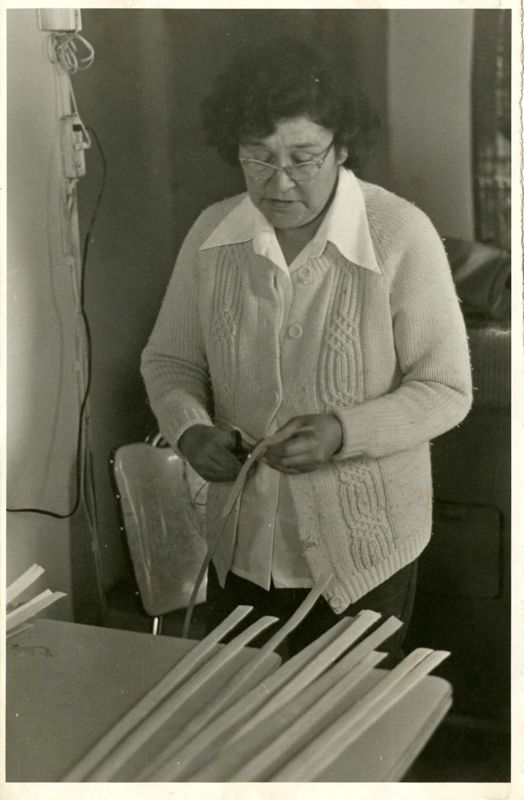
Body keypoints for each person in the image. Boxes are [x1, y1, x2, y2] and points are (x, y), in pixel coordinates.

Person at [141, 37, 472, 662]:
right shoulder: (212, 234)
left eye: (304, 157)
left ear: (341, 148)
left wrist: (343, 432)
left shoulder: (399, 233)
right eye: (258, 159)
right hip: (240, 547)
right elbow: (169, 362)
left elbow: (447, 389)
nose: (279, 181)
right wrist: (189, 430)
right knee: (247, 733)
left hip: (364, 555)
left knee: (344, 741)